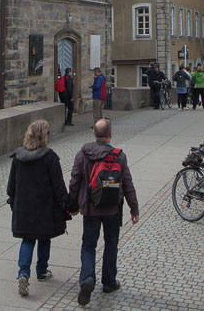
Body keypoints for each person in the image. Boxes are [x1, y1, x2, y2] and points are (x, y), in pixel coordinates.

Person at [67, 119, 139, 306]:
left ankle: (87, 279)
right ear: (110, 135)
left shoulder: (83, 154)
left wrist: (72, 205)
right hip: (113, 210)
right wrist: (134, 208)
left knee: (89, 245)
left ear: (94, 134)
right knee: (111, 244)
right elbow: (128, 184)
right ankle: (108, 282)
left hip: (90, 209)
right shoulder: (119, 156)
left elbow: (74, 181)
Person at [7, 120, 74, 297]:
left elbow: (11, 186)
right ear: (44, 136)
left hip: (23, 207)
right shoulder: (49, 157)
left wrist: (14, 203)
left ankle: (23, 273)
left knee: (27, 240)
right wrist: (68, 205)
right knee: (44, 238)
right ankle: (42, 271)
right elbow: (59, 187)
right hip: (44, 208)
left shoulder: (18, 156)